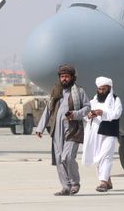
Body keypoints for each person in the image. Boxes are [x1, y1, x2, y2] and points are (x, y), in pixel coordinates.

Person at [35, 64, 90, 196]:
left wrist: (76, 114)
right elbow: (48, 110)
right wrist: (40, 127)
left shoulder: (79, 91)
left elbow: (87, 107)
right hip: (57, 130)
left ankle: (75, 183)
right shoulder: (55, 92)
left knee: (68, 157)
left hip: (73, 129)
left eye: (67, 76)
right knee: (59, 159)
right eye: (62, 76)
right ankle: (66, 187)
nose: (64, 79)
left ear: (72, 77)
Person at [82, 76, 122, 192]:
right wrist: (89, 115)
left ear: (109, 88)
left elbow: (116, 114)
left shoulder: (115, 100)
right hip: (95, 133)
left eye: (104, 89)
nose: (101, 91)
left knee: (106, 156)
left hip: (109, 131)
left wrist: (102, 113)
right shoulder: (93, 101)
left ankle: (103, 182)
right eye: (99, 89)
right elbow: (85, 115)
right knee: (99, 157)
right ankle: (108, 181)